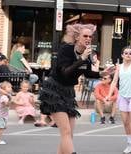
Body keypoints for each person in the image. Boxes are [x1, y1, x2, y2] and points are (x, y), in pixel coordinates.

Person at [39, 23, 113, 154]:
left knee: (69, 135)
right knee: (66, 132)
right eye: (85, 36)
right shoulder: (66, 50)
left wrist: (102, 73)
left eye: (90, 36)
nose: (88, 39)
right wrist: (82, 58)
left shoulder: (88, 54)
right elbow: (65, 72)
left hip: (68, 92)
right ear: (77, 37)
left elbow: (88, 73)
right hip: (54, 90)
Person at [107, 29, 131, 154]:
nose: (128, 55)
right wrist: (108, 95)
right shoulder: (119, 67)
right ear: (122, 55)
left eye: (130, 53)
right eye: (126, 53)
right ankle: (128, 144)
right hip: (122, 96)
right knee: (126, 123)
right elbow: (114, 81)